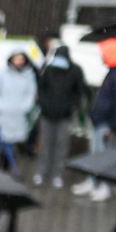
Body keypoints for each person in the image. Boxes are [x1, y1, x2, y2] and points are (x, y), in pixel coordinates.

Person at [73, 38, 116, 202]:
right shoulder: (113, 71)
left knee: (104, 157)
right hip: (99, 122)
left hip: (106, 125)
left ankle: (104, 187)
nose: (102, 56)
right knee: (95, 156)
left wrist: (112, 126)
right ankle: (92, 182)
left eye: (104, 53)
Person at [35, 45, 87, 188]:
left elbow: (79, 92)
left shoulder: (76, 71)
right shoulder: (48, 69)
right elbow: (41, 88)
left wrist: (70, 106)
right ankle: (42, 172)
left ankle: (58, 174)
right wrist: (44, 104)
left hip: (65, 116)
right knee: (45, 145)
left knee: (61, 146)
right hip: (47, 115)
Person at [0, 52, 37, 171]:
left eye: (21, 59)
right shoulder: (0, 74)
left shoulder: (28, 76)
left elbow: (31, 94)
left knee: (12, 145)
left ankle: (8, 167)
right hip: (1, 115)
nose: (19, 62)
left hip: (17, 116)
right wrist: (0, 105)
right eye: (16, 59)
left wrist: (24, 106)